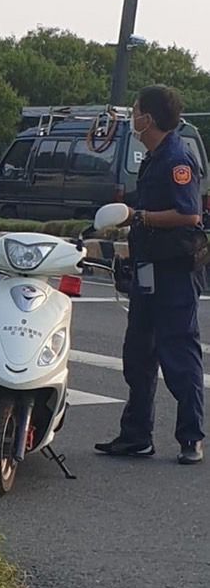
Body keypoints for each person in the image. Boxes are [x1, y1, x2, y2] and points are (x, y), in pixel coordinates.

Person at [96, 85, 205, 465]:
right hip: (147, 269)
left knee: (178, 353)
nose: (133, 117)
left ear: (151, 118)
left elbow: (189, 214)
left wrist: (139, 216)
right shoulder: (153, 155)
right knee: (138, 353)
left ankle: (191, 438)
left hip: (173, 272)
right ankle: (136, 435)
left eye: (138, 111)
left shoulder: (177, 157)